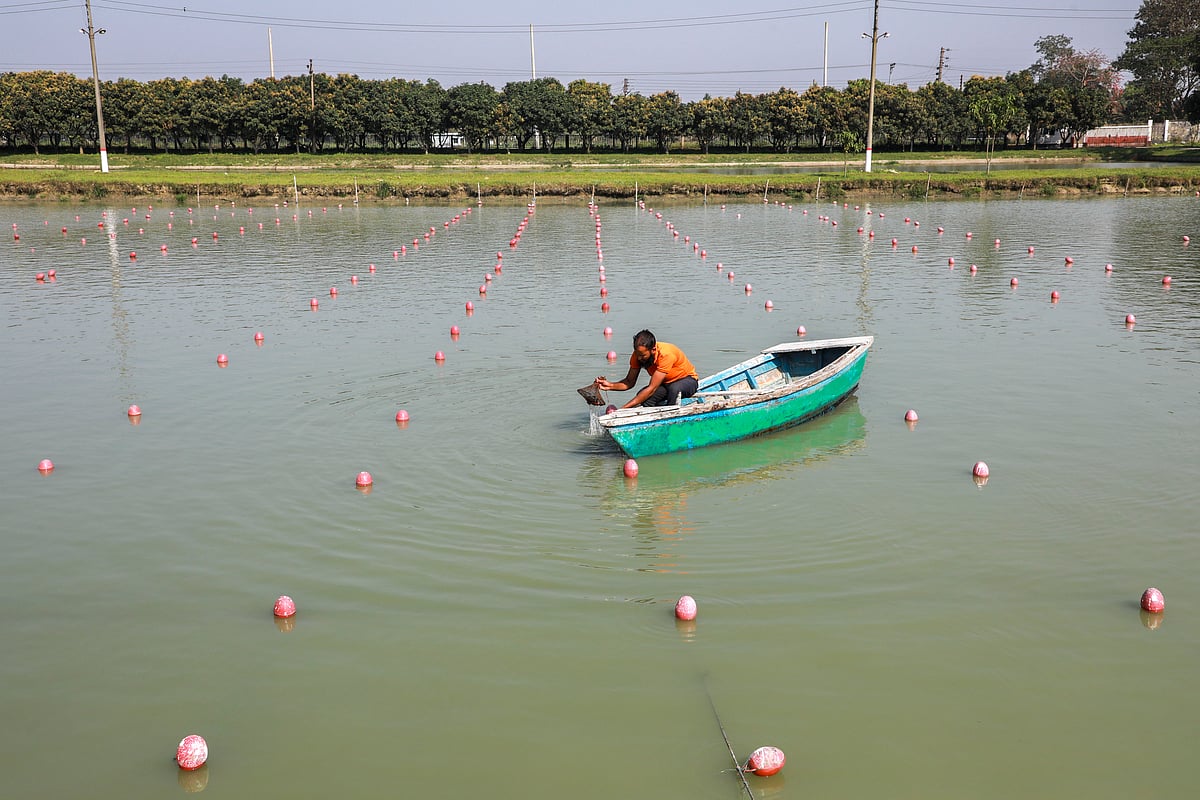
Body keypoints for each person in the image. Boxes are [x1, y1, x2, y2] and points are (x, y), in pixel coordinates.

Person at [597, 330, 699, 409]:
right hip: (665, 384)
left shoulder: (666, 354)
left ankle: (671, 418)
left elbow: (652, 388)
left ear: (653, 350)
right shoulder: (637, 355)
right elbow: (629, 382)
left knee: (674, 389)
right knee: (644, 397)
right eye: (637, 354)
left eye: (643, 355)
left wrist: (623, 409)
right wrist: (609, 386)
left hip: (687, 380)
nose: (639, 358)